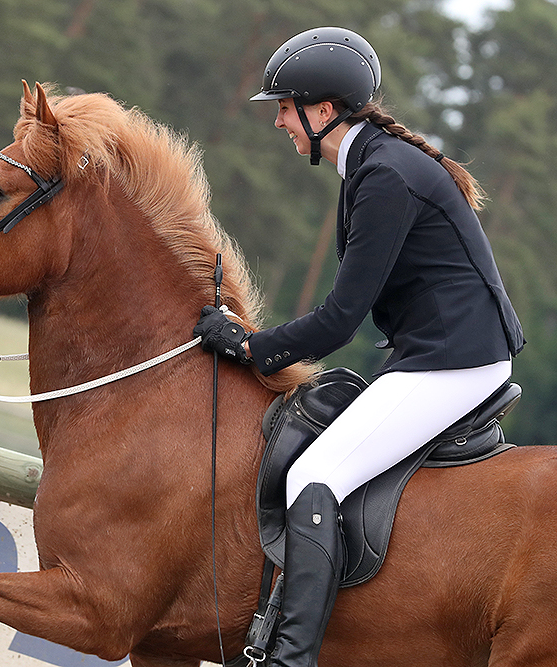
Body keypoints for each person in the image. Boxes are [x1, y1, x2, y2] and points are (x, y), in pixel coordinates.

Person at [193, 26, 524, 667]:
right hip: (436, 355)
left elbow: (341, 320)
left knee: (317, 473)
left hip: (456, 363)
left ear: (322, 111)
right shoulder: (372, 164)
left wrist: (250, 345)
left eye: (285, 108)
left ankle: (291, 658)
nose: (280, 122)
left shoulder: (386, 177)